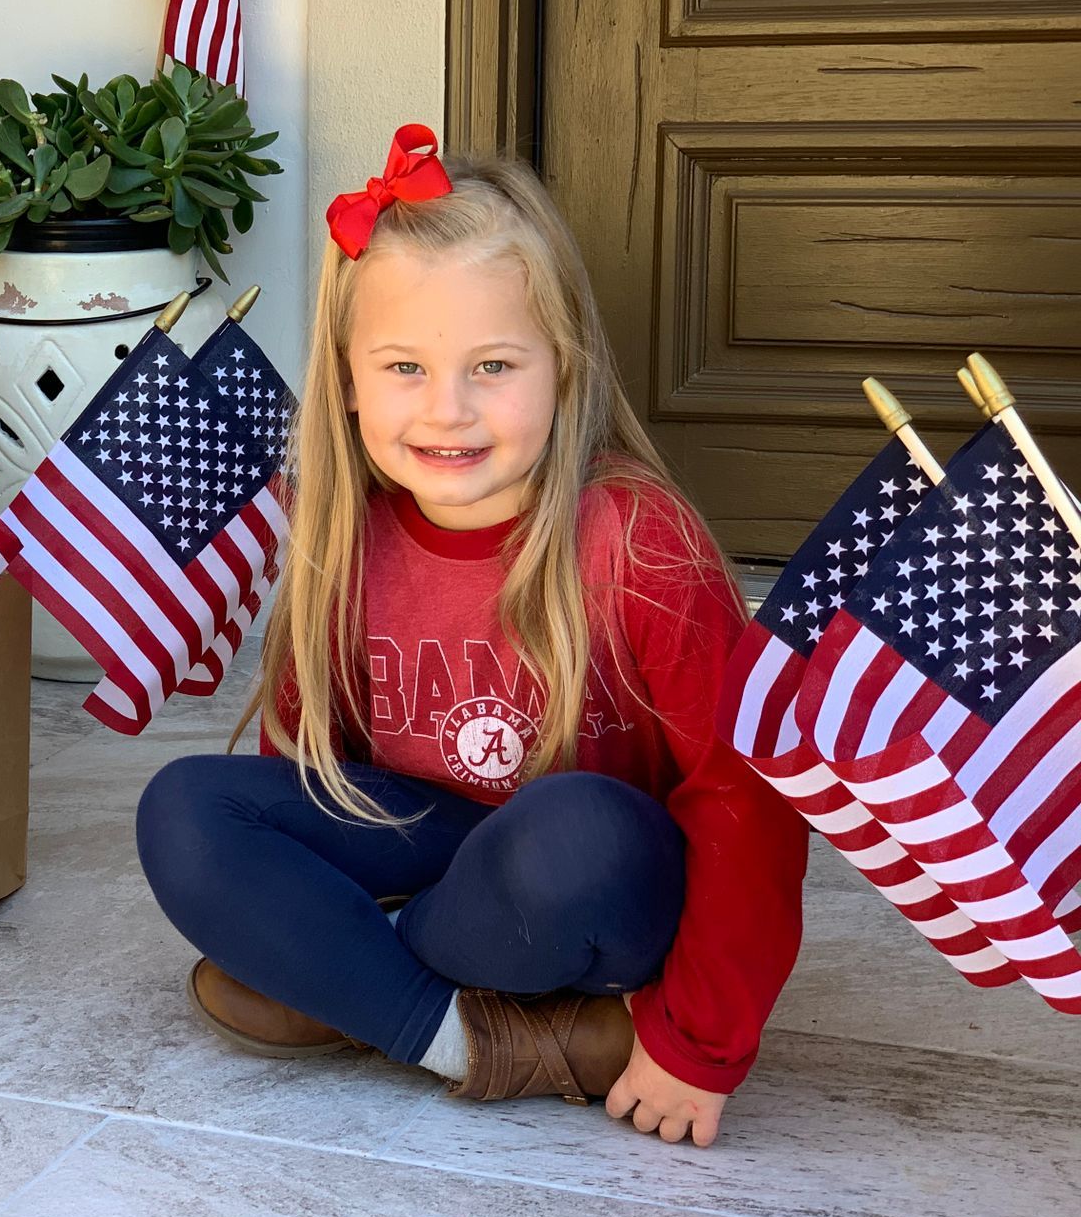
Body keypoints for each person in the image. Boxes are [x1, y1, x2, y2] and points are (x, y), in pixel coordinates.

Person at [134, 127, 807, 1147]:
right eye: (404, 366)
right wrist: (283, 899)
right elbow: (308, 774)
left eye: (493, 364)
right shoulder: (343, 535)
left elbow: (744, 795)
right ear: (348, 380)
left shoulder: (637, 541)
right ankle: (473, 1040)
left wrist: (699, 1042)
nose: (448, 410)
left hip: (587, 886)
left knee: (570, 827)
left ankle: (357, 987)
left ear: (563, 364)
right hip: (435, 852)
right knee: (185, 810)